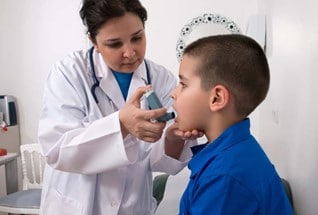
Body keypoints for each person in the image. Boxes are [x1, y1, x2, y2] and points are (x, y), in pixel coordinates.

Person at [38, 0, 201, 214]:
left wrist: (171, 139)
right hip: (77, 205)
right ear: (93, 42)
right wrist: (121, 125)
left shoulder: (160, 79)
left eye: (137, 38)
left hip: (132, 206)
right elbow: (56, 150)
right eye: (115, 44)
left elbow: (159, 162)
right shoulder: (69, 73)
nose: (130, 53)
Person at [171, 34, 293, 214]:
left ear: (217, 98)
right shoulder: (234, 154)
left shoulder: (224, 177)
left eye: (183, 84)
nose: (174, 93)